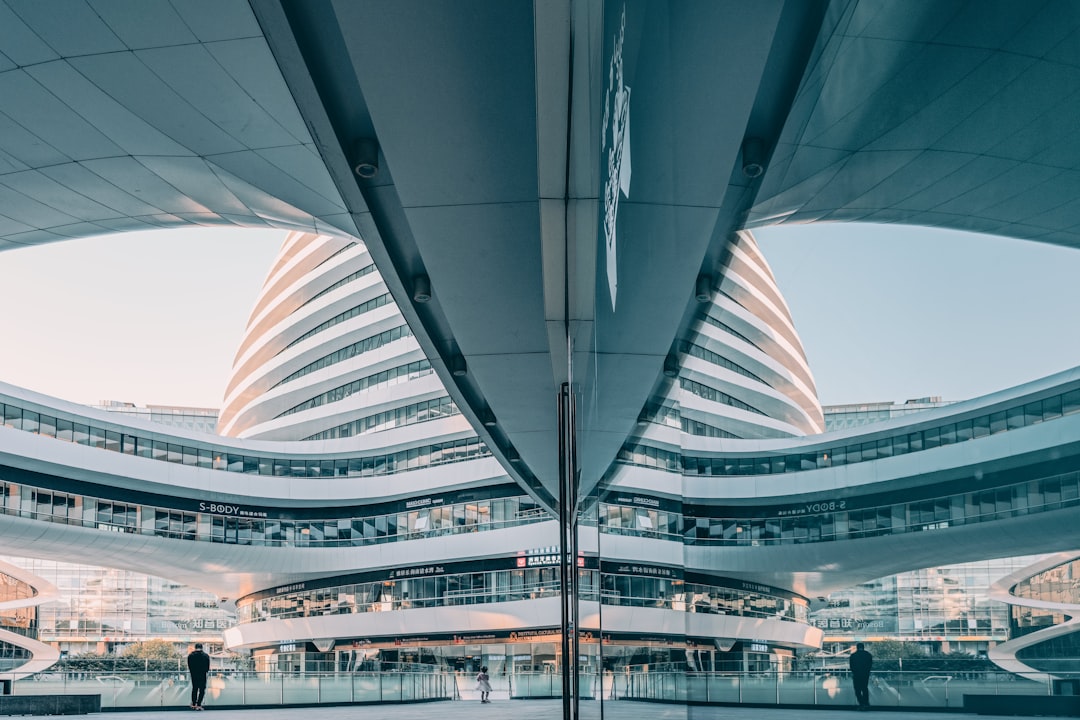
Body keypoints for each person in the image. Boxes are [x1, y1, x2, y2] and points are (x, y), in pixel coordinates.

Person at [849, 642, 873, 710]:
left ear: (857, 647)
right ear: (863, 647)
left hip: (856, 675)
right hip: (865, 675)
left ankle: (861, 704)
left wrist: (854, 672)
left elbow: (851, 666)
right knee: (865, 689)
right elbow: (870, 665)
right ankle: (866, 703)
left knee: (857, 690)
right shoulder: (868, 655)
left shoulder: (853, 656)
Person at [187, 643, 210, 711]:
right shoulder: (206, 656)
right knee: (202, 690)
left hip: (194, 675)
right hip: (202, 675)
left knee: (195, 689)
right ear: (202, 648)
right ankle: (199, 704)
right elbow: (207, 667)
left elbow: (190, 666)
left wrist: (193, 672)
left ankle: (193, 704)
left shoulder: (191, 656)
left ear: (195, 647)